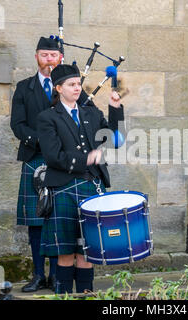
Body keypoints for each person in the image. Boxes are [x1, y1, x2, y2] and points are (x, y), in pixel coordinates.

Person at [36, 63, 124, 294]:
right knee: (66, 253)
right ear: (58, 88)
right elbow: (53, 156)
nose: (77, 88)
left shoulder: (90, 113)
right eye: (71, 85)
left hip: (91, 187)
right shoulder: (47, 118)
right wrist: (86, 158)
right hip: (63, 187)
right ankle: (63, 297)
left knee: (88, 252)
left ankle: (87, 296)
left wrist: (116, 108)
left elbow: (114, 138)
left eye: (78, 84)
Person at [10, 36, 65, 292]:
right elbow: (17, 124)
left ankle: (56, 276)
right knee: (35, 220)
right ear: (36, 57)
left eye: (53, 56)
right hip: (34, 157)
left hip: (60, 162)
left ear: (60, 58)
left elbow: (82, 118)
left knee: (56, 219)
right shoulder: (24, 88)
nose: (49, 60)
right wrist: (40, 140)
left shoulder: (69, 86)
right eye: (44, 55)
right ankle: (37, 275)